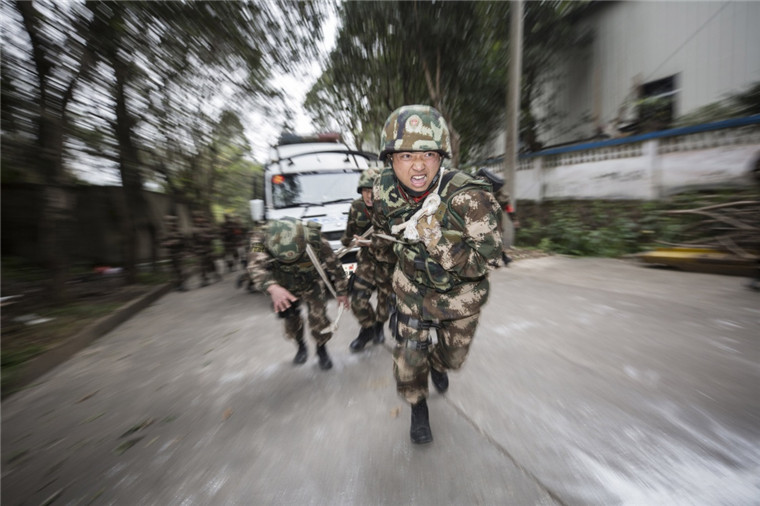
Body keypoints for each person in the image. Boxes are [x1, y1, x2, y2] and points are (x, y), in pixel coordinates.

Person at [372, 105, 503, 444]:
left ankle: (439, 366)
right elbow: (383, 239)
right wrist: (384, 289)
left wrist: (437, 241)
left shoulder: (470, 198)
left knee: (453, 360)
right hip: (412, 291)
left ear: (441, 155)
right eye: (405, 156)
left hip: (459, 296)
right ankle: (418, 406)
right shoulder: (383, 190)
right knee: (408, 363)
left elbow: (484, 263)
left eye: (428, 154)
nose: (418, 166)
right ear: (390, 160)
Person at [247, 217, 350, 370]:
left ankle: (321, 349)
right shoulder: (259, 238)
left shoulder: (315, 238)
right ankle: (301, 345)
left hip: (311, 283)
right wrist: (272, 287)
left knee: (319, 318)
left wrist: (341, 291)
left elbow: (334, 265)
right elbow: (254, 266)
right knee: (291, 320)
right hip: (283, 287)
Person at [340, 167, 394, 352]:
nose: (369, 195)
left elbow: (397, 239)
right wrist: (346, 242)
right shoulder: (356, 207)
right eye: (365, 190)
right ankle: (367, 328)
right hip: (367, 262)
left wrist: (371, 243)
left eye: (373, 191)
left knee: (384, 302)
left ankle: (379, 326)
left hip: (388, 261)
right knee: (358, 300)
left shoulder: (391, 207)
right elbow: (349, 232)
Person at [474, 167, 519, 265]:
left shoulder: (500, 194)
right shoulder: (481, 192)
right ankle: (496, 259)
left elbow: (508, 207)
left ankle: (502, 258)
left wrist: (514, 220)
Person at [192, 211, 221, 286]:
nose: (199, 219)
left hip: (208, 249)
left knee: (211, 263)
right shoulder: (194, 229)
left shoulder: (207, 226)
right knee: (201, 266)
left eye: (200, 217)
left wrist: (207, 237)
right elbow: (192, 240)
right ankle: (204, 280)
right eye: (197, 218)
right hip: (199, 250)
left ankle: (215, 275)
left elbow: (214, 235)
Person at [161, 214, 188, 291]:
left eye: (170, 222)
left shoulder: (179, 231)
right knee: (174, 270)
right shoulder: (165, 233)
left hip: (179, 253)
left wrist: (173, 242)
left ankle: (183, 285)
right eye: (167, 223)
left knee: (181, 270)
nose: (168, 225)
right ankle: (177, 285)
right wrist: (165, 244)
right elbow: (161, 242)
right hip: (170, 254)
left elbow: (182, 240)